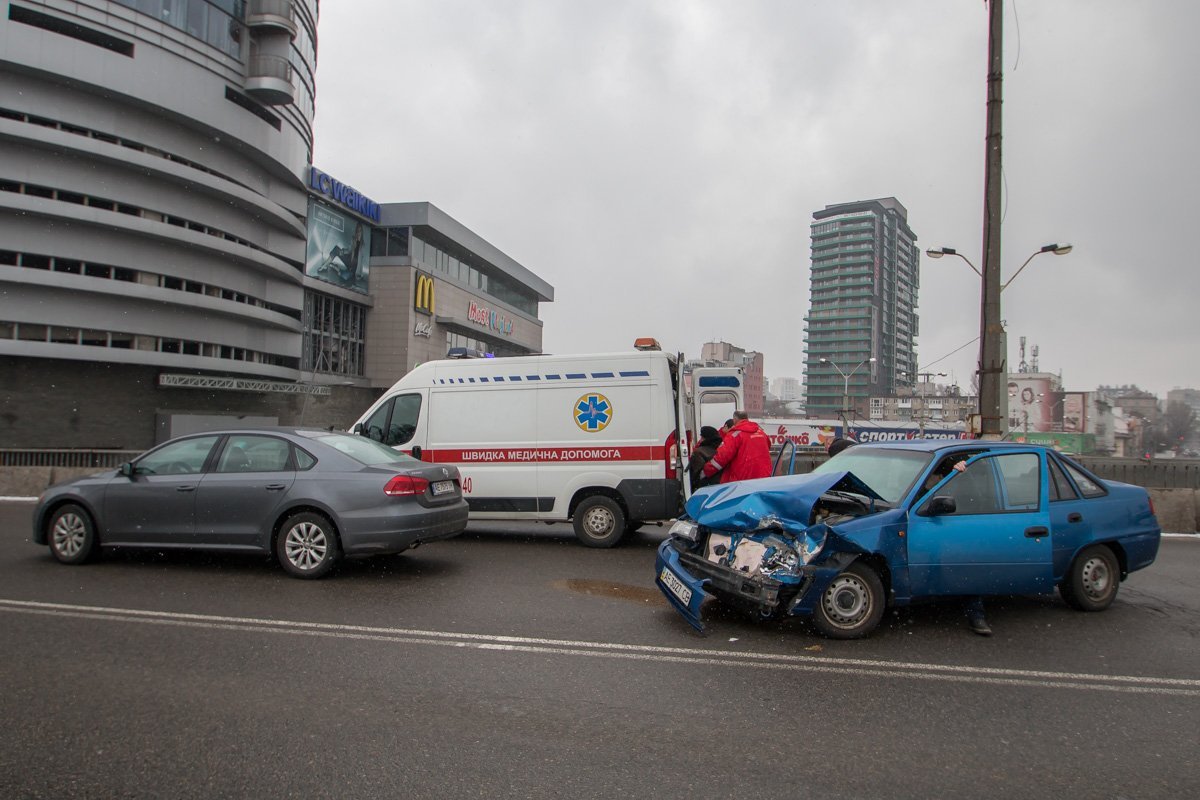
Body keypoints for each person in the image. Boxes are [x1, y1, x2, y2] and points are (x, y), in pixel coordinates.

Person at [702, 411, 771, 484]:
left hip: (743, 479)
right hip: (764, 477)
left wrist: (705, 471)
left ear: (734, 419)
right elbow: (768, 447)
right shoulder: (761, 432)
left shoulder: (735, 435)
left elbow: (722, 457)